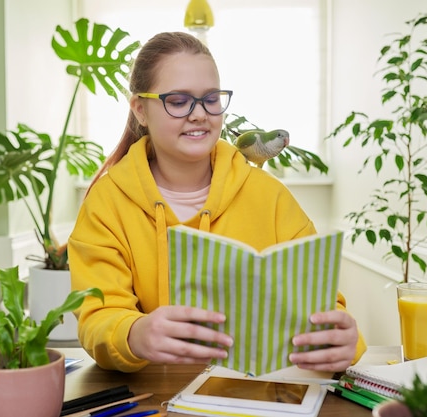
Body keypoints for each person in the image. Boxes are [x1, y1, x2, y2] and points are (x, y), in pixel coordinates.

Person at [68, 31, 367, 373]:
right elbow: (98, 318)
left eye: (211, 99)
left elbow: (323, 305)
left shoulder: (270, 197)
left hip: (258, 396)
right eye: (178, 101)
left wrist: (343, 339)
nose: (200, 115)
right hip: (155, 396)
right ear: (140, 109)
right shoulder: (106, 204)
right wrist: (135, 333)